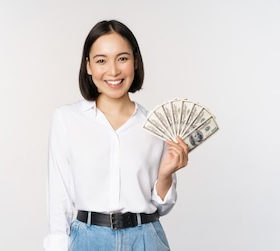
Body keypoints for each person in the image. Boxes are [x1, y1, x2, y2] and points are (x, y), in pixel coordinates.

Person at [44, 20, 189, 251]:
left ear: (135, 62)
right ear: (89, 66)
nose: (113, 71)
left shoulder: (156, 125)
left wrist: (165, 175)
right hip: (87, 240)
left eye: (122, 58)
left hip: (145, 239)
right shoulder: (66, 119)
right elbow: (58, 197)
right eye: (101, 60)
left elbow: (161, 207)